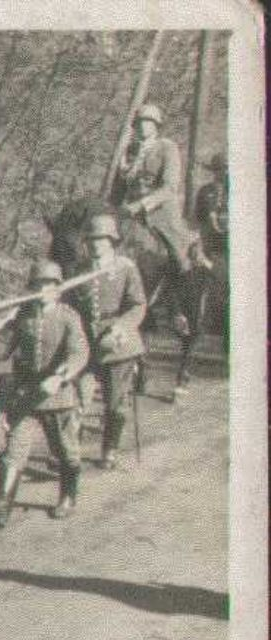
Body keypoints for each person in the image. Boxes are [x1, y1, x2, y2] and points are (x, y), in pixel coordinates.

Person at [0, 260, 91, 526]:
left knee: (66, 451)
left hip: (57, 396)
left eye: (48, 285)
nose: (43, 289)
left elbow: (79, 352)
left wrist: (61, 376)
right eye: (38, 285)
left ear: (58, 289)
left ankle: (68, 496)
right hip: (25, 396)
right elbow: (2, 350)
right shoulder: (22, 315)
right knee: (15, 449)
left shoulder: (69, 316)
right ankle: (2, 503)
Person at [69, 213, 147, 470]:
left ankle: (109, 449)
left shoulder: (125, 267)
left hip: (118, 345)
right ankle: (72, 450)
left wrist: (121, 327)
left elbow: (138, 305)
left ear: (112, 241)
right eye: (91, 239)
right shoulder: (78, 271)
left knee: (115, 403)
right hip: (86, 346)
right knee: (78, 397)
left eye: (101, 239)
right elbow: (69, 308)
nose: (95, 244)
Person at [113, 103, 194, 340]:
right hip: (129, 214)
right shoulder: (128, 151)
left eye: (147, 122)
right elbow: (118, 188)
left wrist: (142, 204)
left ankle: (179, 310)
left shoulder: (167, 148)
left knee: (180, 258)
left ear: (156, 126)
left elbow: (169, 187)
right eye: (139, 123)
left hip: (160, 214)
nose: (142, 126)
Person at [189, 152, 229, 372]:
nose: (222, 174)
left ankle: (230, 349)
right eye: (219, 170)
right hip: (210, 249)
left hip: (235, 251)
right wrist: (197, 246)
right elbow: (196, 222)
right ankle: (196, 340)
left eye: (226, 169)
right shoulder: (206, 193)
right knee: (200, 294)